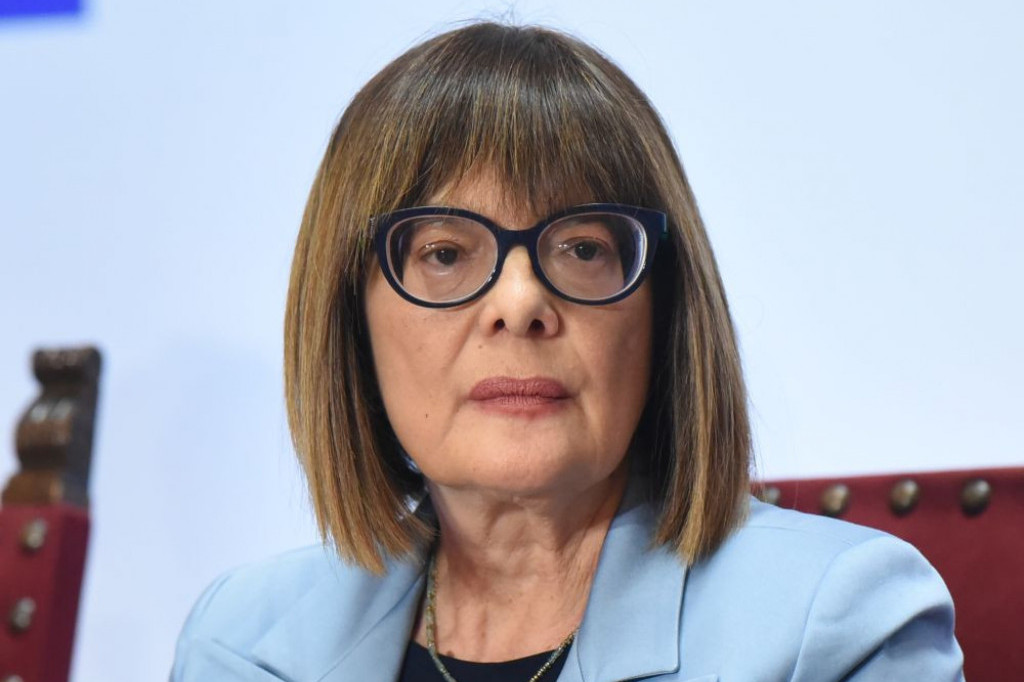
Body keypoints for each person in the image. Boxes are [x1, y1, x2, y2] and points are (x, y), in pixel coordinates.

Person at [171, 22, 964, 682]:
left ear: (665, 312)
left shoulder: (835, 626)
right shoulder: (240, 643)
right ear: (349, 318)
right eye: (444, 253)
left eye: (583, 248)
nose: (520, 304)